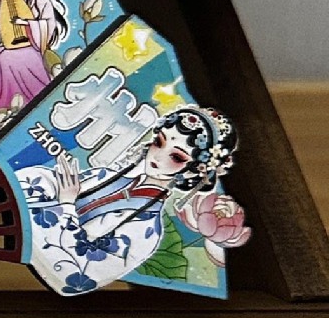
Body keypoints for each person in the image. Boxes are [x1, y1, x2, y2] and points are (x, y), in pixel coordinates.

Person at [18, 104, 243, 294]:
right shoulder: (105, 175)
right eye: (159, 142)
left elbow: (78, 275)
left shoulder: (147, 230)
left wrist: (66, 205)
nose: (157, 156)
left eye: (176, 157)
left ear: (194, 170)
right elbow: (30, 185)